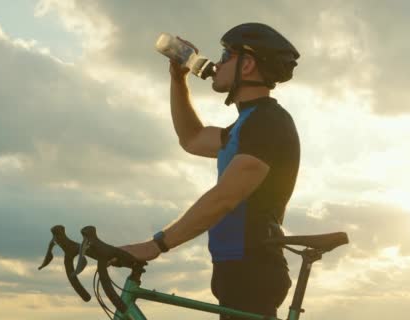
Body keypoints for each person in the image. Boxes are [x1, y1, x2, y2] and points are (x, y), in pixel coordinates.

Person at [119, 22, 301, 319]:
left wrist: (157, 244)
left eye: (226, 55)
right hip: (235, 268)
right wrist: (178, 80)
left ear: (248, 65)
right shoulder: (246, 125)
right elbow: (192, 138)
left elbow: (224, 198)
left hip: (253, 270)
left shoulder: (268, 123)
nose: (215, 64)